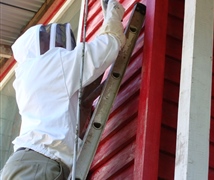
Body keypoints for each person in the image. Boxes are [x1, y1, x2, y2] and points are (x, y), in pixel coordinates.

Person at [1, 0, 125, 179]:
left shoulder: (30, 76)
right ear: (35, 45)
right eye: (49, 38)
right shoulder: (46, 63)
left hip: (28, 164)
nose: (60, 44)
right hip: (38, 163)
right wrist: (113, 16)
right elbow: (102, 52)